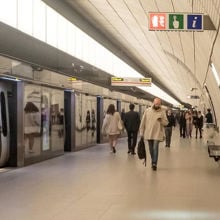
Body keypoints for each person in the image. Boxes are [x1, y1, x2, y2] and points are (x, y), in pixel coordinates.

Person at [139, 98, 168, 171]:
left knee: (155, 148)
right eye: (156, 103)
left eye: (158, 104)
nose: (157, 105)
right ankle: (153, 160)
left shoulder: (162, 112)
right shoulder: (147, 111)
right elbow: (143, 122)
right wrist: (141, 132)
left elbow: (166, 123)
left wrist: (161, 120)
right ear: (153, 103)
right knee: (151, 149)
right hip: (149, 133)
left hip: (157, 133)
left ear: (160, 104)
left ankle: (154, 163)